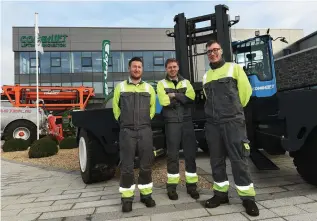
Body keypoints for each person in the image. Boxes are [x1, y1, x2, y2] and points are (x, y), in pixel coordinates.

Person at [202, 40, 259, 217]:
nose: (212, 53)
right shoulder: (206, 76)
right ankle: (221, 195)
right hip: (213, 124)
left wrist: (233, 111)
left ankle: (248, 198)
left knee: (239, 159)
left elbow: (245, 92)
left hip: (233, 122)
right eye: (209, 51)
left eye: (215, 50)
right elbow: (207, 98)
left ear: (221, 51)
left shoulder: (234, 69)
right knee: (216, 160)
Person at [112, 57, 157, 213]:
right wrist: (123, 122)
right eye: (134, 67)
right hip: (127, 131)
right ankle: (127, 198)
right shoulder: (121, 87)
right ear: (129, 68)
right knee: (127, 166)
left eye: (139, 67)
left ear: (142, 69)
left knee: (146, 164)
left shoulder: (149, 88)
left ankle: (146, 195)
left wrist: (145, 122)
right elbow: (115, 108)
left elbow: (152, 108)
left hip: (145, 130)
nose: (136, 69)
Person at [157, 58, 199, 200]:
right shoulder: (161, 84)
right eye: (170, 67)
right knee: (172, 155)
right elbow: (164, 101)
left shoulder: (186, 82)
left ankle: (192, 187)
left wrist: (175, 95)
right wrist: (183, 98)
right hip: (171, 122)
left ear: (178, 67)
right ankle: (172, 188)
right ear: (166, 69)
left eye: (174, 66)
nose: (172, 69)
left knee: (190, 154)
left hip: (187, 121)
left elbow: (192, 97)